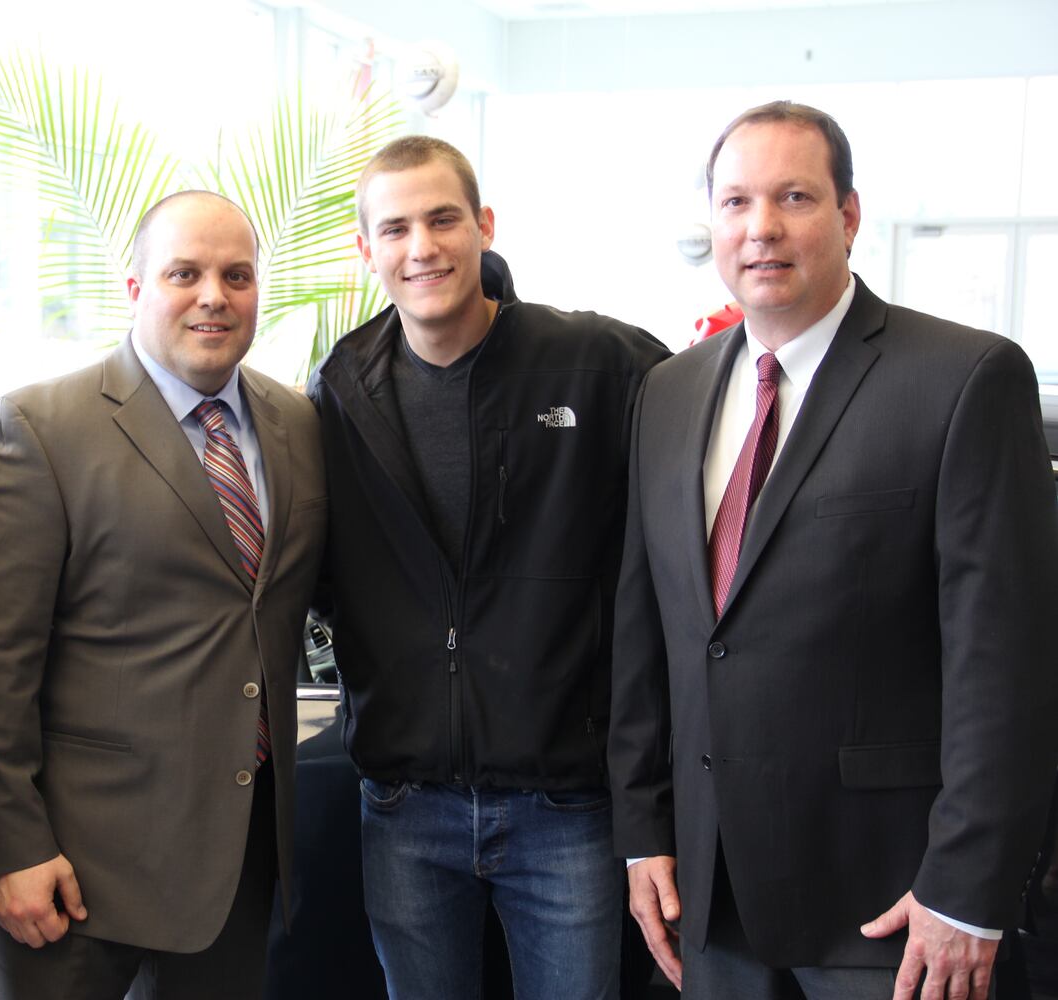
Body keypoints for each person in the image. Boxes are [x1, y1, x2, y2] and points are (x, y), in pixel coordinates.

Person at [609, 100, 1058, 1000]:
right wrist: (644, 830)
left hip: (893, 903)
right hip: (713, 891)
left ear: (849, 215)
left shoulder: (963, 378)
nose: (761, 228)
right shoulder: (668, 391)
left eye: (795, 197)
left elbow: (1007, 661)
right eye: (736, 202)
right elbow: (646, 634)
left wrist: (968, 888)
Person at [306, 136, 669, 999]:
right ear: (366, 249)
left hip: (565, 806)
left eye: (443, 220)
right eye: (395, 229)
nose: (422, 248)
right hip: (405, 806)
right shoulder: (341, 389)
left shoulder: (599, 363)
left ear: (485, 226)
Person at [0, 190, 326, 1000]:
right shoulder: (41, 427)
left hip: (237, 863)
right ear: (135, 288)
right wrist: (10, 848)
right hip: (75, 874)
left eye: (236, 275)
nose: (213, 296)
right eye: (184, 273)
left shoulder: (296, 422)